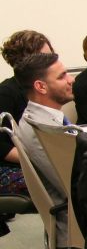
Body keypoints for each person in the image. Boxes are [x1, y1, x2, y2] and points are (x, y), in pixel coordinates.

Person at [15, 53, 76, 243]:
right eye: (62, 76)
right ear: (41, 87)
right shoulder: (43, 131)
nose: (71, 80)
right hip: (78, 224)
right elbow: (74, 186)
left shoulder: (41, 118)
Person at [0, 29, 53, 194]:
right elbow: (1, 146)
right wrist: (39, 160)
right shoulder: (6, 93)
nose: (52, 62)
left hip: (38, 160)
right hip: (11, 167)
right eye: (45, 57)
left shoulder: (43, 88)